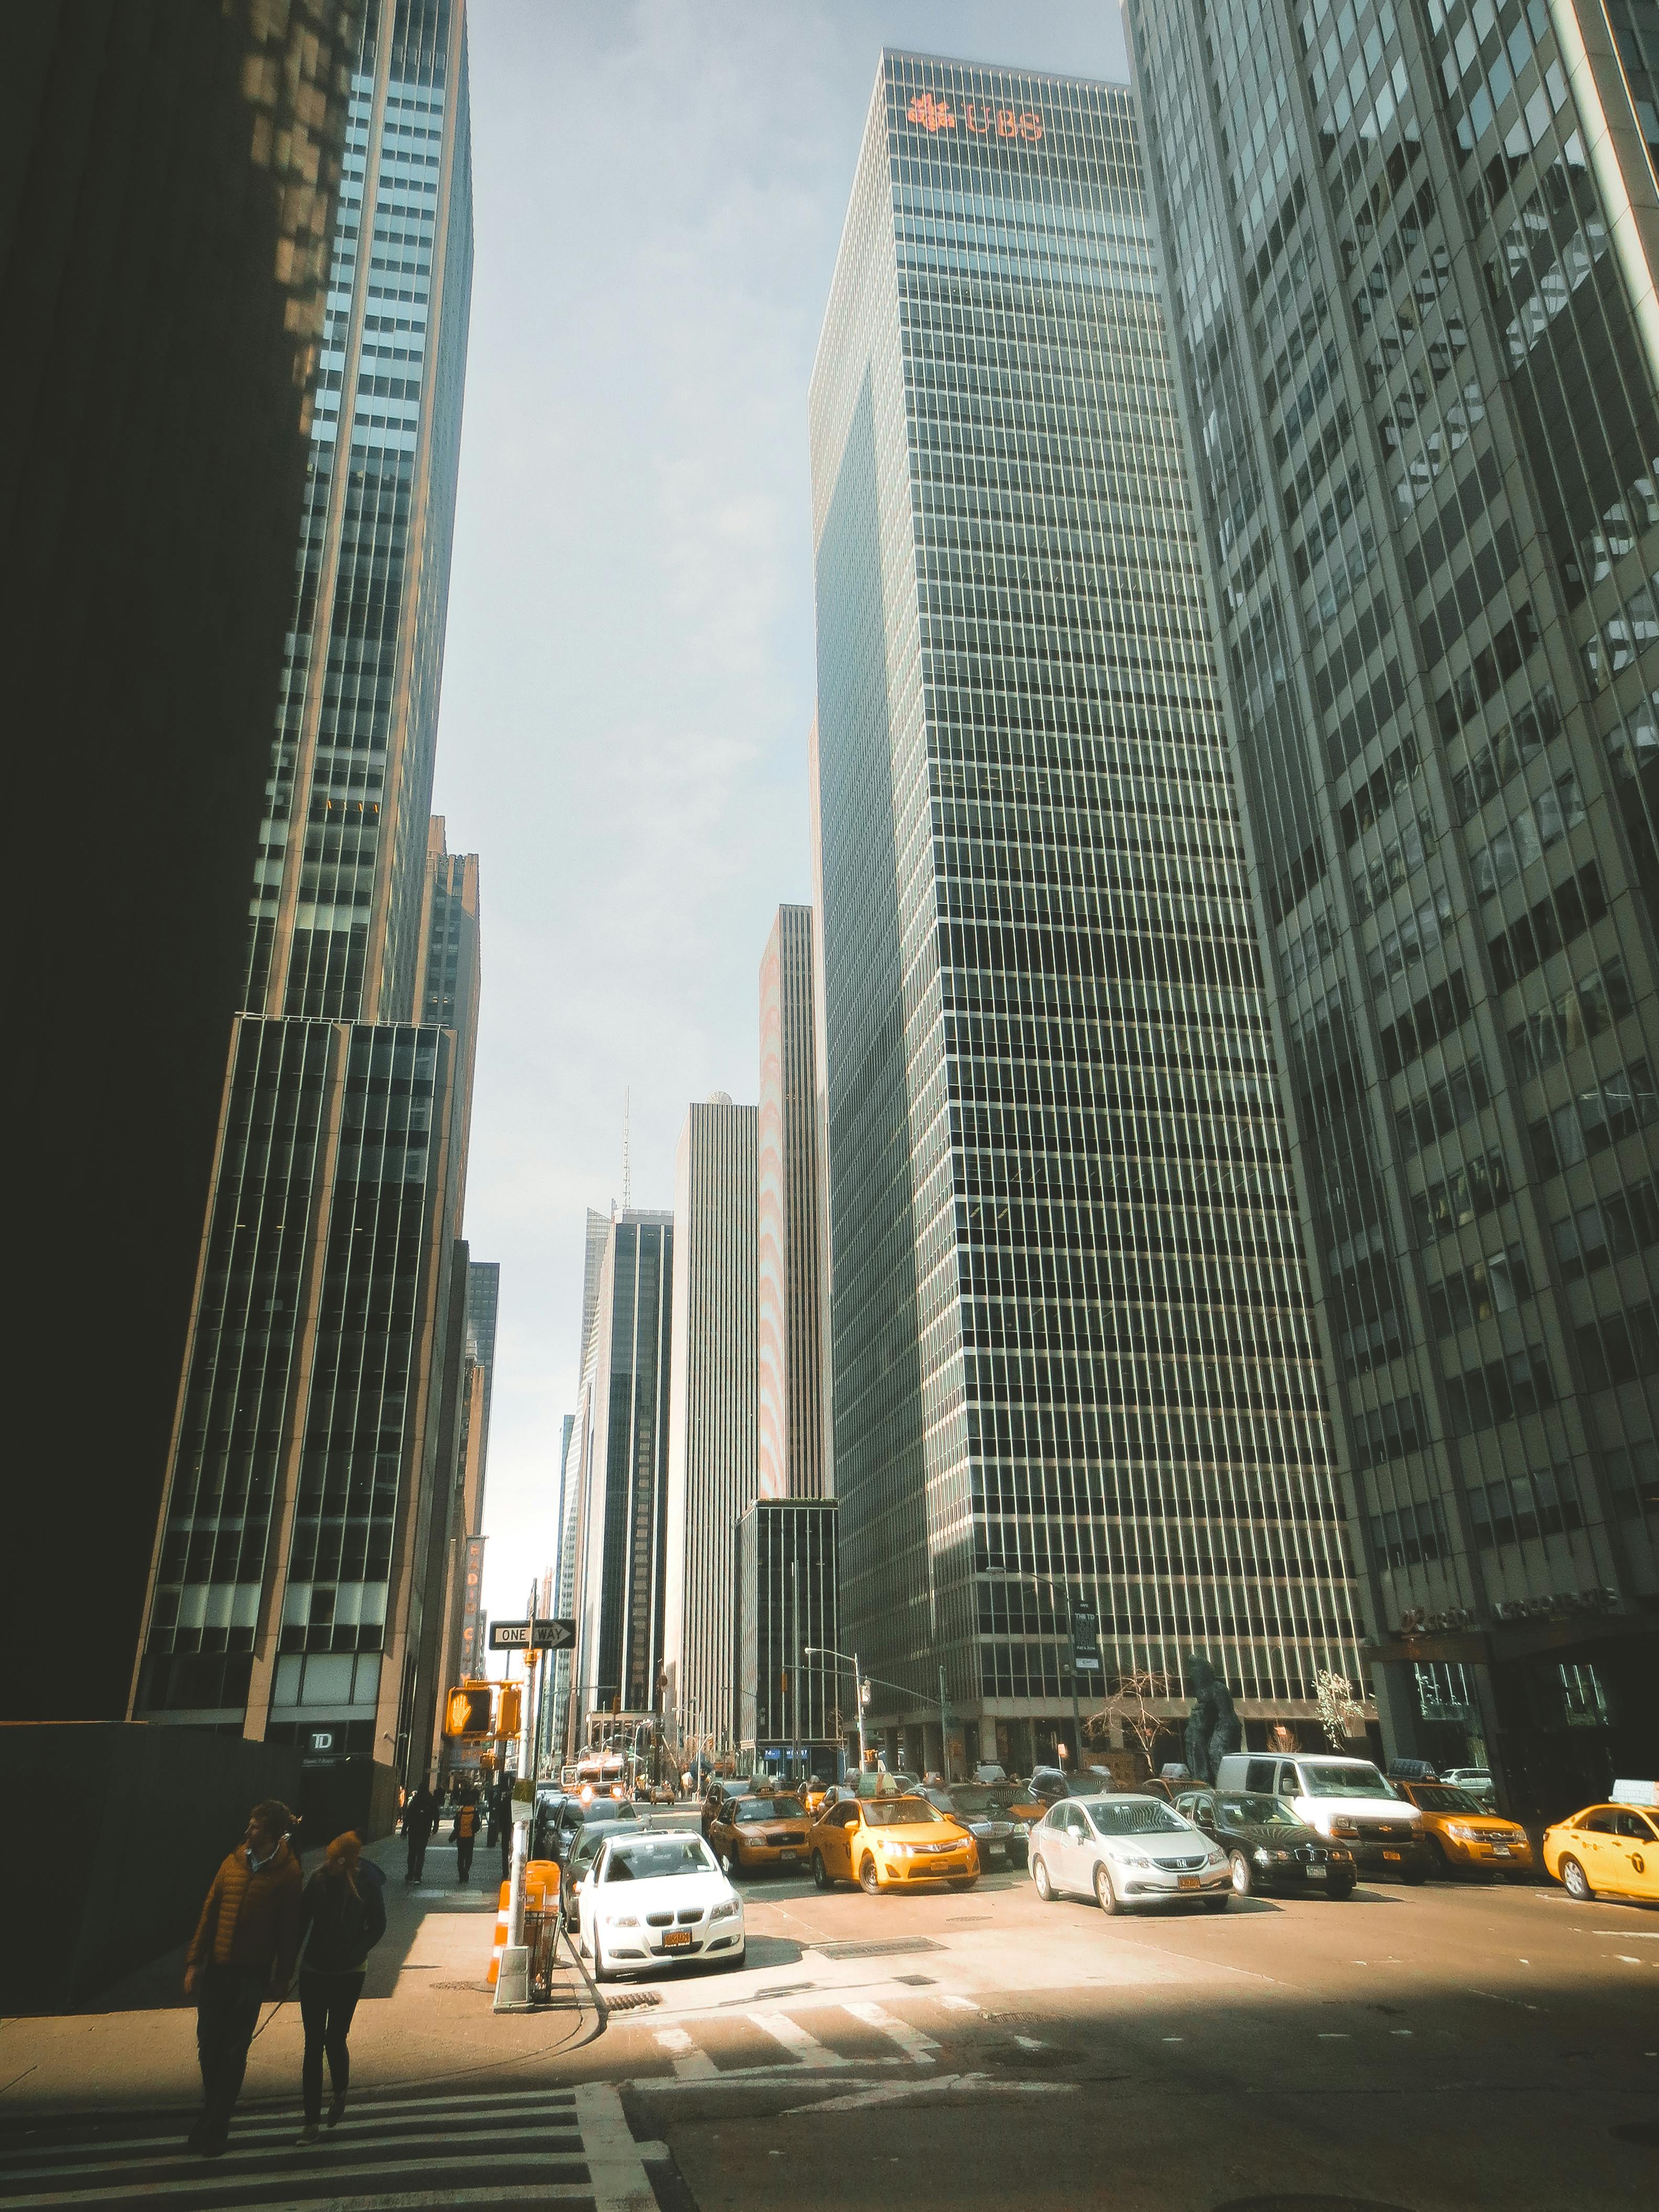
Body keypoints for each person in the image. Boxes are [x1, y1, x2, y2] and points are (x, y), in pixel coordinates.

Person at [184, 1799, 302, 2158]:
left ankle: (216, 2126)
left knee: (234, 2051)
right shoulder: (231, 1863)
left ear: (271, 1832)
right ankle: (212, 2114)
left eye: (255, 1826)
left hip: (252, 1974)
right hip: (218, 1969)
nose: (248, 1831)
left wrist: (282, 1977)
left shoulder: (288, 1872)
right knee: (208, 2045)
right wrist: (195, 1961)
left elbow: (288, 1930)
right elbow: (209, 1911)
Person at [292, 1831, 387, 2144]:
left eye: (334, 1860)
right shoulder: (319, 1882)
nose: (327, 1864)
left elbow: (378, 1926)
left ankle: (340, 2092)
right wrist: (286, 1968)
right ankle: (311, 2122)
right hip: (315, 1970)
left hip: (349, 1973)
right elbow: (301, 1923)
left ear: (346, 1860)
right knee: (313, 2044)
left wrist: (355, 1951)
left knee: (335, 2039)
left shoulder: (368, 1884)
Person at [403, 1780, 437, 1883]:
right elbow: (436, 1815)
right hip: (425, 1830)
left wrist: (404, 1830)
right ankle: (418, 1876)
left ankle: (410, 1874)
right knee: (421, 1853)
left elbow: (408, 1816)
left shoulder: (415, 1800)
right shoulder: (431, 1800)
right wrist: (435, 1827)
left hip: (413, 1829)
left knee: (412, 1853)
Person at [453, 1789, 477, 1883]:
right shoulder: (474, 1812)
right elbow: (477, 1825)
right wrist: (473, 1831)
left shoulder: (460, 1812)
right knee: (469, 1856)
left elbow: (455, 1825)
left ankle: (461, 1875)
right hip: (470, 1837)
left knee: (461, 1856)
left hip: (461, 1837)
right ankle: (466, 1871)